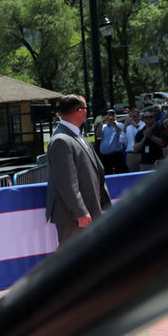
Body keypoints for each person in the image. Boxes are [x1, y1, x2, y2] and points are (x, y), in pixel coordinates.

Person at [45, 95, 111, 244]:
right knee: (72, 260)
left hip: (86, 212)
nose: (87, 112)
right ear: (80, 111)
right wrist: (80, 212)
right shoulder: (61, 140)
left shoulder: (74, 135)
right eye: (86, 108)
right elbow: (67, 181)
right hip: (75, 218)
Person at [98, 109, 127, 174]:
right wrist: (102, 123)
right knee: (107, 174)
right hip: (105, 156)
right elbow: (98, 134)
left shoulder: (120, 125)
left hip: (116, 155)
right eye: (108, 116)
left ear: (115, 116)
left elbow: (120, 132)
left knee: (119, 173)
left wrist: (113, 123)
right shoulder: (104, 126)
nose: (110, 117)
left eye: (112, 115)